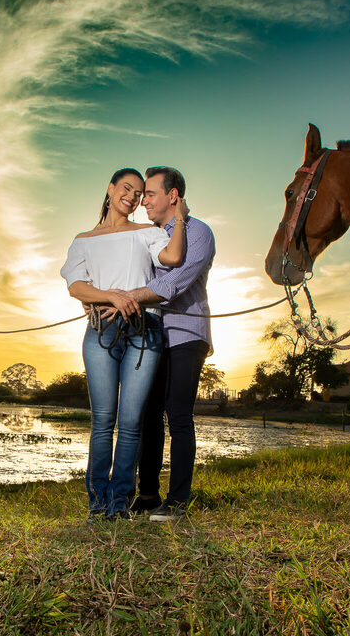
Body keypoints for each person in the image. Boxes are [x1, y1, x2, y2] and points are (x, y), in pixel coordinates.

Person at [60, 167, 187, 521]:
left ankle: (119, 505)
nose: (132, 197)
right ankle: (97, 504)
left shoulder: (148, 232)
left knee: (130, 423)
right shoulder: (83, 239)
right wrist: (112, 297)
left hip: (143, 331)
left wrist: (180, 218)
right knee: (102, 421)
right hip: (100, 331)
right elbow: (76, 287)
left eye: (139, 192)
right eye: (126, 188)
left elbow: (173, 259)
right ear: (111, 188)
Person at [124, 166, 215, 522]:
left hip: (187, 334)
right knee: (148, 415)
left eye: (149, 193)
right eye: (142, 194)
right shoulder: (148, 236)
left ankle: (178, 502)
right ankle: (147, 495)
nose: (142, 200)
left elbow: (175, 282)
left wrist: (129, 296)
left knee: (177, 414)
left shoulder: (199, 232)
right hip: (151, 334)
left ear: (173, 196)